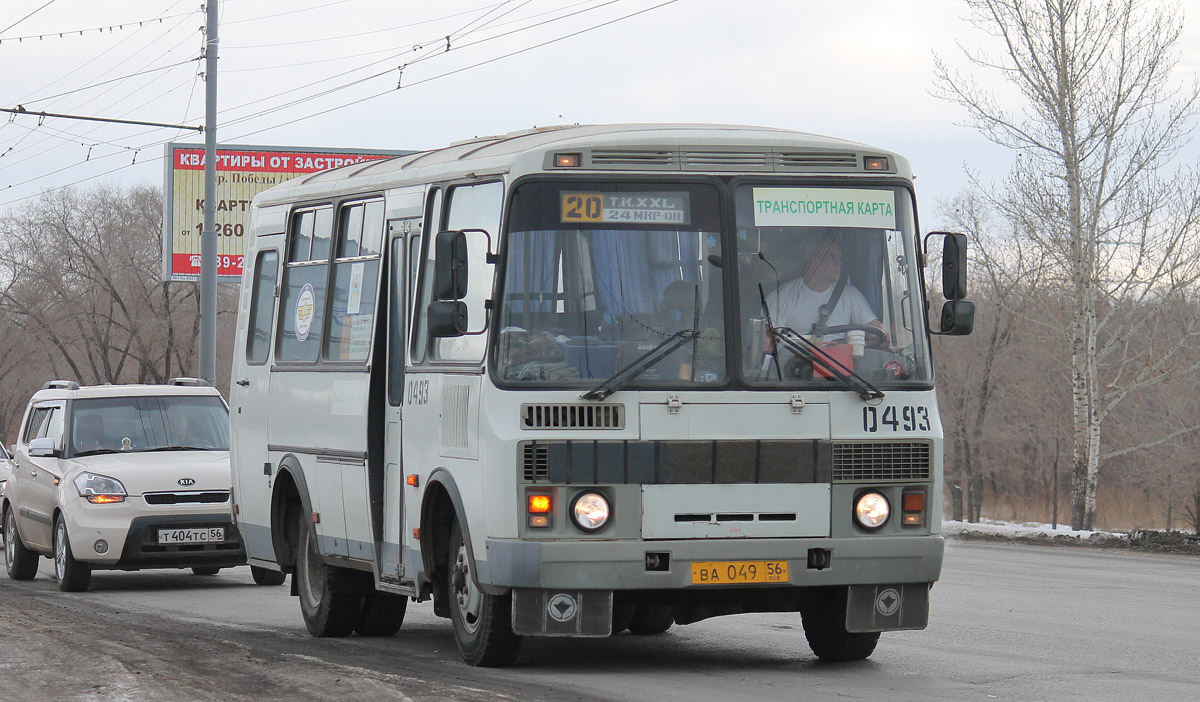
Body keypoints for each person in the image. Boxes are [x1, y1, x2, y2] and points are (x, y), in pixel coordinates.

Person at [768, 233, 887, 346]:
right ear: (812, 260)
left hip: (842, 365)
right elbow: (767, 343)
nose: (839, 263)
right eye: (832, 257)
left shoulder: (850, 294)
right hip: (796, 364)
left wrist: (882, 335)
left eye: (840, 257)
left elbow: (874, 327)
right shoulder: (782, 298)